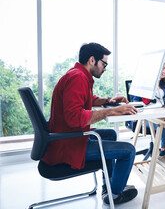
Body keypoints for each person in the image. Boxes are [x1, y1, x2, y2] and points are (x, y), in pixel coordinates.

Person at [41, 43, 138, 205]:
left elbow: (86, 100)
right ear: (92, 60)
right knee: (129, 151)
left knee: (111, 135)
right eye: (104, 64)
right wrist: (111, 111)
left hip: (64, 139)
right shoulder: (78, 78)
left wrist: (107, 101)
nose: (105, 68)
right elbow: (74, 117)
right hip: (67, 146)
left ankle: (109, 185)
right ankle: (114, 195)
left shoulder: (77, 74)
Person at [130, 61, 165, 173]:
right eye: (163, 68)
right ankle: (164, 153)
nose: (164, 72)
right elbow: (135, 102)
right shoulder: (145, 82)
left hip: (160, 116)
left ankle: (164, 154)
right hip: (144, 118)